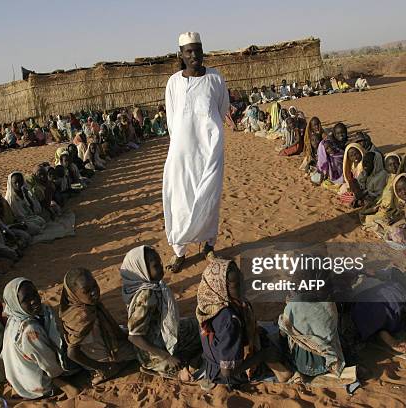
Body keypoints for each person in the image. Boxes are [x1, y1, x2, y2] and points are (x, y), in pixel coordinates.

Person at [163, 32, 230, 272]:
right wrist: (183, 141)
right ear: (180, 54)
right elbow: (172, 120)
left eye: (198, 50)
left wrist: (208, 135)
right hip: (181, 152)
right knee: (181, 200)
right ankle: (180, 251)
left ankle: (208, 246)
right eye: (189, 51)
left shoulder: (215, 78)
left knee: (209, 198)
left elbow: (222, 110)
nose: (194, 55)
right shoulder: (173, 83)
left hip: (210, 151)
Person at [197, 259, 291, 387]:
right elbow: (227, 372)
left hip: (213, 364)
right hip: (228, 376)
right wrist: (262, 356)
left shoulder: (208, 304)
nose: (242, 287)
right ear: (222, 289)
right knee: (270, 348)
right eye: (236, 285)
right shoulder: (230, 320)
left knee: (261, 334)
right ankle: (280, 372)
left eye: (241, 280)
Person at [121, 246, 201, 379]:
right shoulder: (146, 296)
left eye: (160, 263)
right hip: (152, 350)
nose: (161, 267)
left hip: (159, 333)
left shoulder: (150, 285)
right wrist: (167, 356)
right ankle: (161, 369)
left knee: (198, 326)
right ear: (142, 269)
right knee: (183, 369)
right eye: (156, 265)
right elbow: (134, 336)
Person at [60, 268, 136, 385]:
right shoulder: (83, 316)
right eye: (87, 291)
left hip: (98, 345)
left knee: (131, 333)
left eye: (95, 286)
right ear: (74, 294)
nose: (94, 292)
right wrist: (102, 367)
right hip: (102, 357)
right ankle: (109, 370)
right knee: (141, 348)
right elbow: (72, 353)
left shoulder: (85, 305)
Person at [2, 278, 73, 399]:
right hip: (37, 385)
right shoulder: (30, 330)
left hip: (18, 378)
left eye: (35, 294)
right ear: (16, 303)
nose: (34, 301)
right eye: (26, 299)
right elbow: (49, 364)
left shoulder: (14, 317)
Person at [277, 256, 345, 378]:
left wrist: (289, 306)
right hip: (328, 362)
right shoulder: (329, 303)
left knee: (286, 329)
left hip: (303, 366)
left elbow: (284, 331)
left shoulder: (295, 304)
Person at [360, 153, 402, 235]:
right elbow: (384, 195)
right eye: (390, 165)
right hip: (383, 208)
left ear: (400, 163)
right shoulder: (388, 177)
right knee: (366, 216)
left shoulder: (402, 178)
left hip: (394, 210)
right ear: (386, 167)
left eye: (395, 164)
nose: (393, 167)